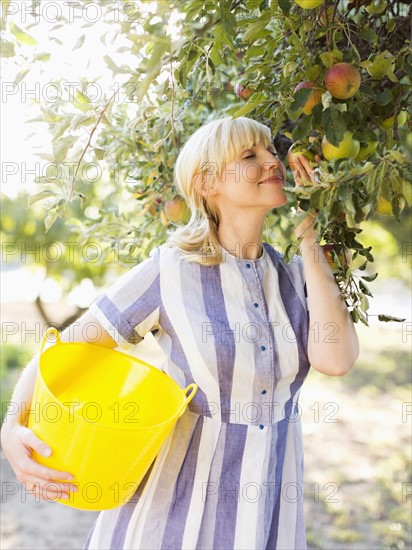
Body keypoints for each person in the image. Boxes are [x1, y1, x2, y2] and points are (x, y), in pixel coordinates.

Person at [1, 116, 359, 549]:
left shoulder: (297, 278)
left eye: (270, 151)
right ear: (208, 183)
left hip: (268, 511)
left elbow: (335, 360)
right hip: (173, 518)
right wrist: (11, 425)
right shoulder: (169, 270)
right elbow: (66, 349)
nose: (272, 161)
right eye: (250, 155)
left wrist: (310, 239)